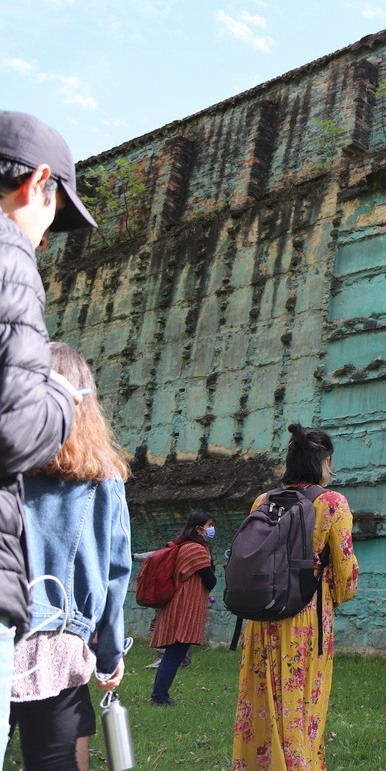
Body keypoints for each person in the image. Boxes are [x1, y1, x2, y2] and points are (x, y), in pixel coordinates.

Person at [0, 111, 95, 758]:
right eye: (53, 214)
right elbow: (15, 426)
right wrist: (64, 398)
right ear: (38, 182)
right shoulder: (9, 254)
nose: (44, 238)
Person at [9, 343, 130, 770]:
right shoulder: (103, 476)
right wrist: (110, 656)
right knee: (56, 762)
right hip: (55, 644)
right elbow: (115, 573)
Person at [233, 423, 359, 770]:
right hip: (307, 614)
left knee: (261, 697)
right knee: (302, 697)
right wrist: (335, 592)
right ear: (325, 461)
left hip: (262, 611)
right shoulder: (332, 503)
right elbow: (347, 570)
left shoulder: (263, 500)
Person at [148, 511, 217, 705]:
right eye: (209, 525)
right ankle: (159, 697)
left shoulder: (183, 546)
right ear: (198, 528)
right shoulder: (196, 549)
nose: (211, 529)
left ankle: (159, 695)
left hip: (176, 604)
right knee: (175, 653)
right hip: (184, 606)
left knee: (174, 652)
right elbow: (210, 580)